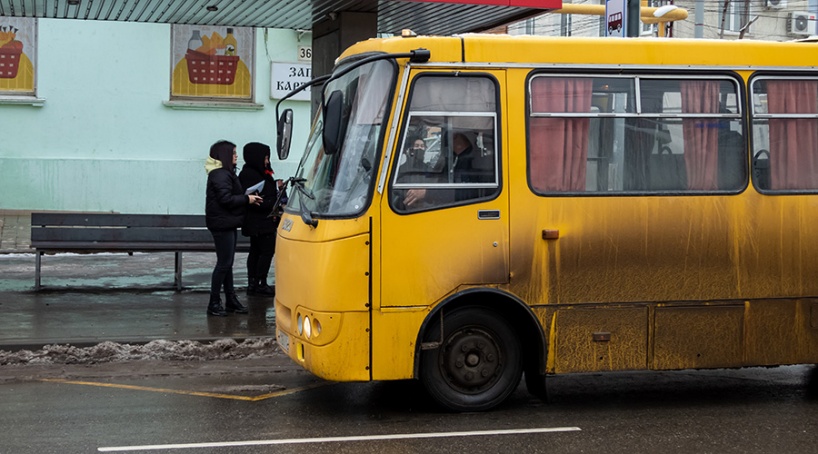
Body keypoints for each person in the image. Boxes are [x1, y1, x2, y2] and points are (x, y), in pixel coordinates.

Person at [204, 140, 262, 316]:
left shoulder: (224, 173)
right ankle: (214, 303)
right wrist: (247, 199)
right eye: (234, 153)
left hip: (226, 222)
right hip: (222, 224)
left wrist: (247, 197)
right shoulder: (221, 174)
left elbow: (228, 197)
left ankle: (231, 300)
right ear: (225, 155)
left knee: (227, 264)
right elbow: (226, 200)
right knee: (223, 264)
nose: (236, 156)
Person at [238, 142, 282, 297]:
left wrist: (276, 188)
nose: (267, 161)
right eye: (265, 157)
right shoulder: (250, 174)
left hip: (261, 221)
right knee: (265, 252)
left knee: (256, 251)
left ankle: (254, 283)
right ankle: (259, 283)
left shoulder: (260, 172)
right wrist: (273, 202)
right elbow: (256, 200)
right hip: (260, 222)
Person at [402, 132, 485, 208]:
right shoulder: (457, 159)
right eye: (416, 146)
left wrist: (426, 193)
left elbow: (463, 192)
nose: (448, 144)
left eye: (448, 140)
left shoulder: (470, 161)